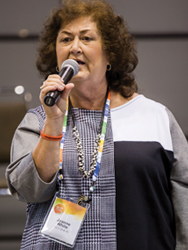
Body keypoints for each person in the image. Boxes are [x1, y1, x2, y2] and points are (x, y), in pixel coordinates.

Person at [5, 0, 188, 249]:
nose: (75, 48)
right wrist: (54, 122)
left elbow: (183, 200)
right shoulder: (39, 120)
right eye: (66, 39)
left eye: (87, 38)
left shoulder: (154, 117)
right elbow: (28, 191)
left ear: (110, 53)